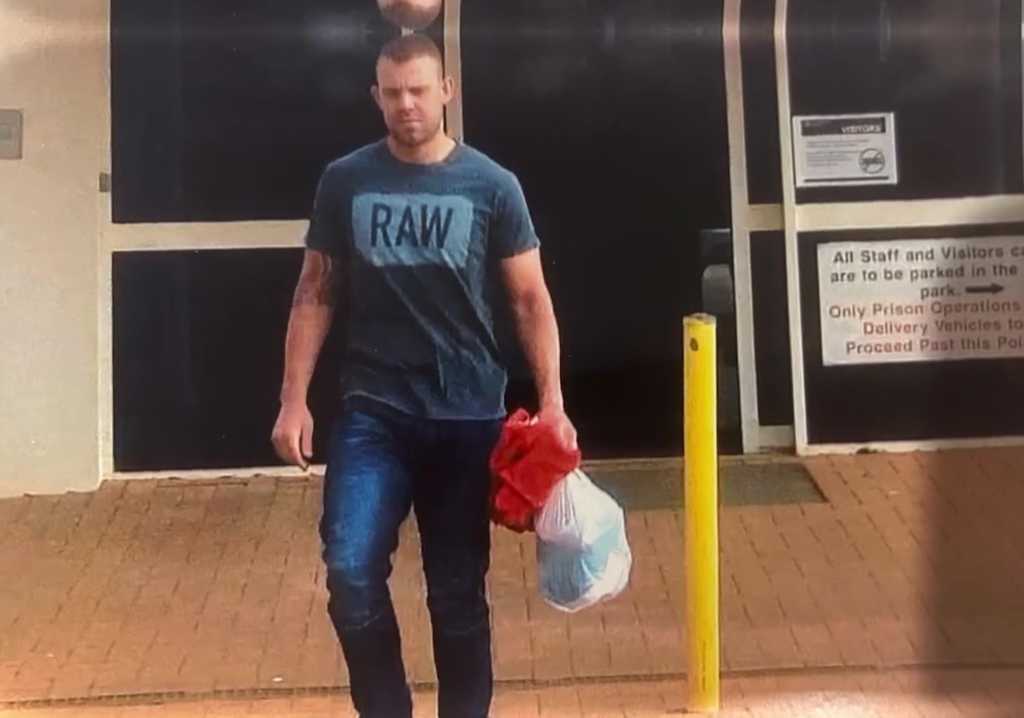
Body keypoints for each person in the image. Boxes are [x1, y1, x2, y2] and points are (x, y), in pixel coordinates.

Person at [271, 33, 577, 718]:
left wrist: (552, 402)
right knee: (350, 576)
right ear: (375, 97)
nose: (406, 104)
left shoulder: (492, 186)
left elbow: (530, 301)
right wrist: (294, 400)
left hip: (467, 418)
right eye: (392, 92)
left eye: (418, 90)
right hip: (373, 413)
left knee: (456, 595)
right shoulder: (346, 180)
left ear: (446, 91)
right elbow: (314, 293)